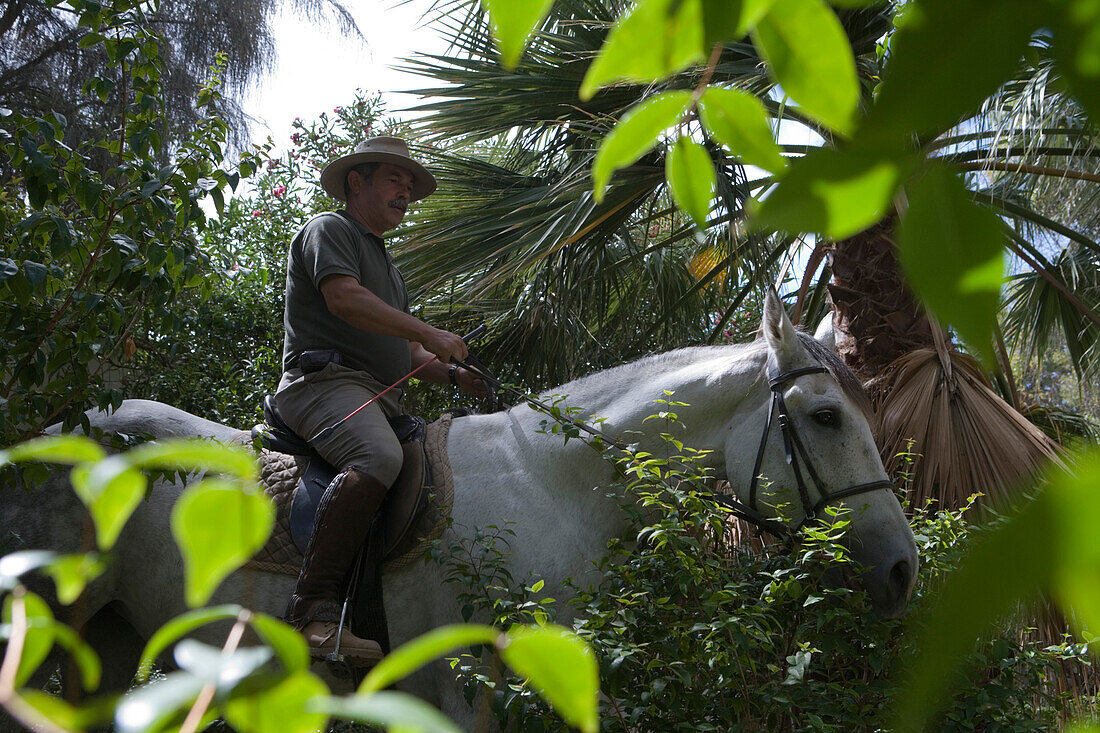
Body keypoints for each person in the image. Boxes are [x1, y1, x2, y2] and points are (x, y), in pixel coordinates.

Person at [274, 136, 485, 662]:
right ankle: (311, 612)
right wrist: (431, 333)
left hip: (379, 400)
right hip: (322, 386)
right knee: (378, 457)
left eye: (410, 185)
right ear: (356, 181)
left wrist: (454, 376)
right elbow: (344, 300)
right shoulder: (330, 229)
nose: (406, 193)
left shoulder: (390, 270)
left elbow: (409, 353)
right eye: (396, 179)